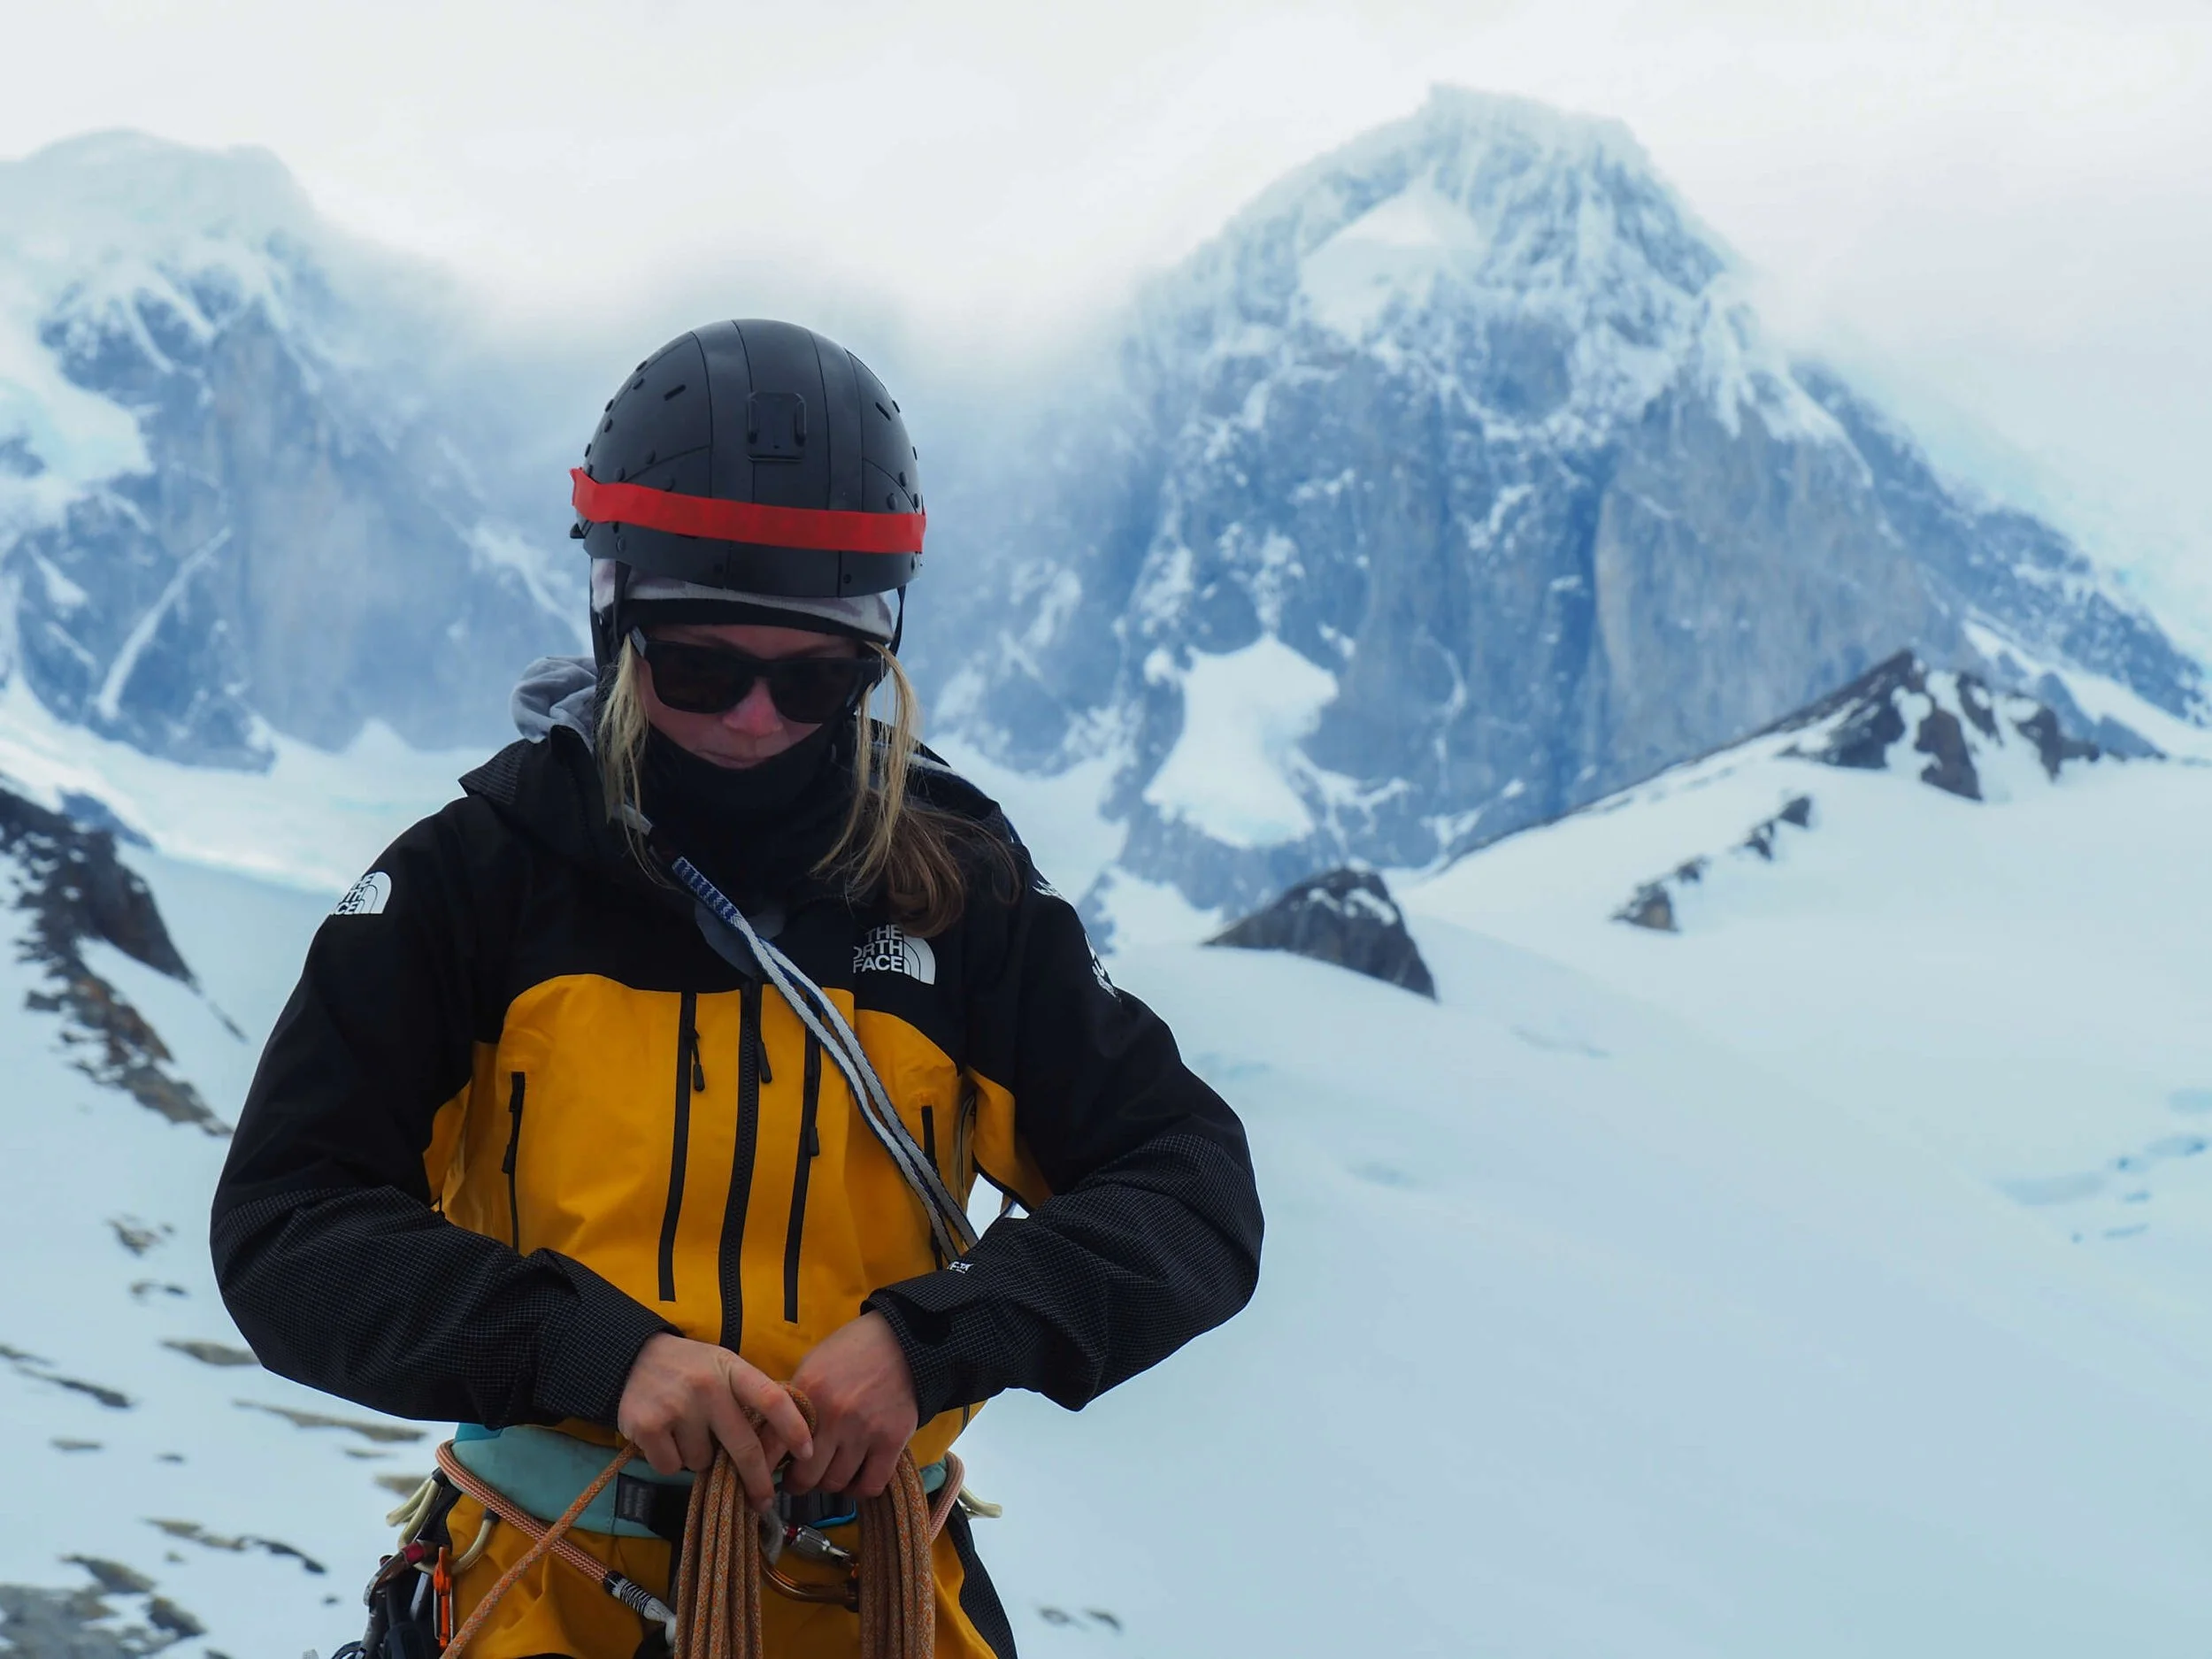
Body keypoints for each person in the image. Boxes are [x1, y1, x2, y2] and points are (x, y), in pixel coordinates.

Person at [210, 319, 1264, 1659]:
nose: (758, 718)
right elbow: (288, 1229)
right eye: (702, 667)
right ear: (615, 624)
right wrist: (598, 1356)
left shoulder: (961, 892)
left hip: (878, 1596)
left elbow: (1189, 1181)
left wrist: (934, 1343)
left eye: (818, 677)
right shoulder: (476, 882)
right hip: (539, 1595)